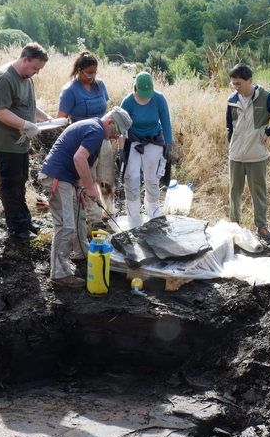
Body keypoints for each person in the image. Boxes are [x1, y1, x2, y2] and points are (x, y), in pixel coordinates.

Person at [38, 107, 132, 288]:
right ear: (110, 122)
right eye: (117, 132)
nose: (115, 137)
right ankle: (59, 273)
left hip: (68, 179)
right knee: (66, 224)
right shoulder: (96, 131)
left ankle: (82, 252)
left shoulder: (95, 129)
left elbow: (83, 163)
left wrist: (80, 188)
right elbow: (79, 158)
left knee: (79, 214)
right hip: (57, 178)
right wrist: (91, 188)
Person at [0, 42, 54, 241]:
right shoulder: (4, 77)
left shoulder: (27, 78)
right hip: (4, 141)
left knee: (21, 181)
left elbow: (30, 106)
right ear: (25, 59)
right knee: (11, 184)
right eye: (35, 68)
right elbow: (0, 112)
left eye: (39, 69)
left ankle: (25, 221)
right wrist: (27, 125)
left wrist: (45, 118)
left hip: (20, 141)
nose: (37, 73)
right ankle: (16, 228)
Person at [225, 63, 270, 240]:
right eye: (233, 84)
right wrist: (231, 143)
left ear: (250, 81)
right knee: (234, 191)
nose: (235, 87)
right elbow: (229, 126)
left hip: (256, 154)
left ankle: (261, 226)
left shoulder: (266, 97)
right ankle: (234, 223)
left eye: (238, 83)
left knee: (259, 191)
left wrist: (269, 131)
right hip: (236, 155)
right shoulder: (232, 99)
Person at [57, 50, 112, 222]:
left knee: (106, 177)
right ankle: (94, 218)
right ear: (79, 70)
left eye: (95, 72)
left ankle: (110, 212)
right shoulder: (70, 91)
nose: (93, 76)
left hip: (103, 138)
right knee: (88, 176)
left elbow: (106, 109)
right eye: (89, 73)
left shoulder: (100, 85)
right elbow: (60, 119)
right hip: (84, 141)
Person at [120, 72, 173, 226]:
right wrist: (121, 150)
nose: (146, 98)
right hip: (133, 142)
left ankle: (153, 213)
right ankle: (133, 215)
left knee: (152, 179)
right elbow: (122, 128)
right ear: (135, 89)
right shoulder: (128, 102)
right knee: (132, 179)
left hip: (153, 141)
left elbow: (166, 122)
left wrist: (169, 144)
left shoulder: (159, 99)